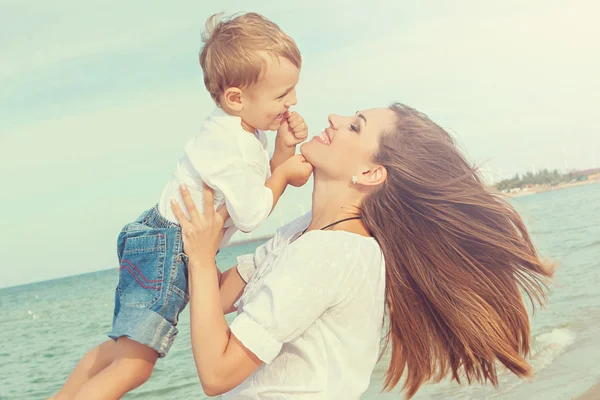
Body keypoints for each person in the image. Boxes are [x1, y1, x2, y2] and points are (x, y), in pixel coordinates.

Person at [170, 103, 554, 399]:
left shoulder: (331, 253)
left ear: (370, 174)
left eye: (354, 126)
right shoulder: (304, 232)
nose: (334, 118)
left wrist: (203, 257)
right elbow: (217, 297)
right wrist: (273, 173)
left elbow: (217, 373)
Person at [50, 12, 310, 400]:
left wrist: (283, 151)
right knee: (135, 366)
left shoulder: (235, 129)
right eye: (281, 95)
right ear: (236, 98)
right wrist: (285, 175)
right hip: (168, 246)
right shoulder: (232, 147)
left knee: (123, 352)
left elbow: (253, 186)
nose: (292, 101)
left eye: (292, 90)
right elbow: (252, 213)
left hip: (157, 236)